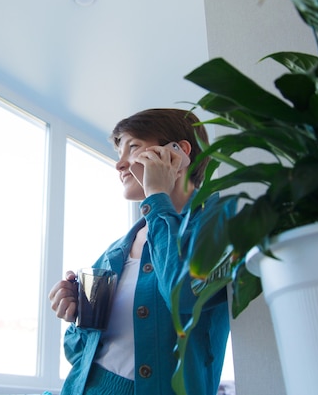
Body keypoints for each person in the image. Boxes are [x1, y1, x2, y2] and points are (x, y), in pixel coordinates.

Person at [48, 108, 230, 395]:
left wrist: (157, 195)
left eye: (132, 147)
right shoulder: (114, 253)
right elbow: (77, 353)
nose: (120, 164)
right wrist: (76, 314)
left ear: (179, 153)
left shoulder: (219, 221)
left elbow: (184, 295)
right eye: (119, 153)